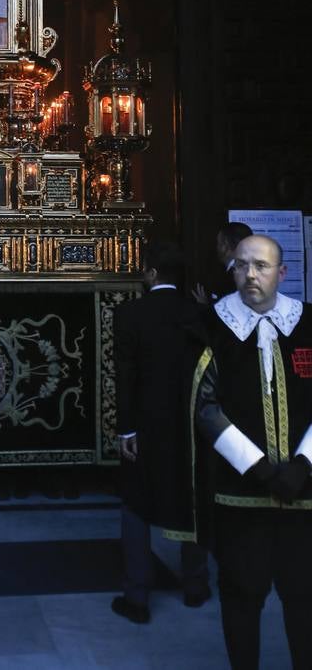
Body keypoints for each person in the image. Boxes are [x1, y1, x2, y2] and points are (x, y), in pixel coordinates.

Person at [194, 235, 312, 669]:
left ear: (282, 272)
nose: (250, 275)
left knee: (305, 595)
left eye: (261, 266)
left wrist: (304, 463)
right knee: (241, 594)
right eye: (241, 265)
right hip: (239, 495)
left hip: (304, 495)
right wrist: (257, 466)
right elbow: (204, 407)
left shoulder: (308, 323)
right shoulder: (210, 325)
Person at [112, 241, 209, 624]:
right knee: (191, 496)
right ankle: (196, 585)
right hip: (191, 421)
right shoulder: (196, 313)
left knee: (136, 502)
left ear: (151, 273)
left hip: (147, 422)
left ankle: (137, 596)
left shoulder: (131, 313)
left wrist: (126, 429)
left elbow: (126, 376)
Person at [192, 221, 253, 305]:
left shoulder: (232, 278)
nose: (216, 247)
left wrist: (205, 306)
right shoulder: (255, 273)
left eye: (218, 243)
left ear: (225, 246)